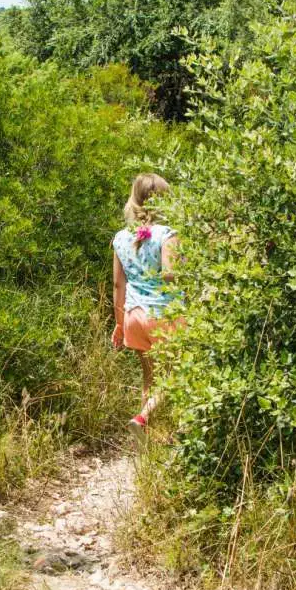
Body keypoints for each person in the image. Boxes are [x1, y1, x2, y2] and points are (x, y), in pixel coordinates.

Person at [111, 173, 182, 433]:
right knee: (177, 373)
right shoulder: (168, 235)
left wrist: (119, 324)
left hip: (133, 317)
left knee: (150, 378)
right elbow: (171, 275)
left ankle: (146, 439)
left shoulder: (120, 238)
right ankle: (144, 418)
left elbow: (118, 286)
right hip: (164, 316)